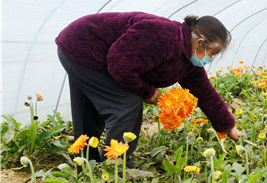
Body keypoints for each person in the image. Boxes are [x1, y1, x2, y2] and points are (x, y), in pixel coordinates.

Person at [56, 12, 243, 173]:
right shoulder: (160, 35)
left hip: (85, 50)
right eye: (212, 53)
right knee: (126, 104)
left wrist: (227, 126)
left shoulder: (187, 60)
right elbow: (121, 66)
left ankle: (87, 167)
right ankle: (117, 166)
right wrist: (149, 92)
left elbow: (205, 93)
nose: (210, 59)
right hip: (82, 46)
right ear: (200, 43)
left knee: (90, 109)